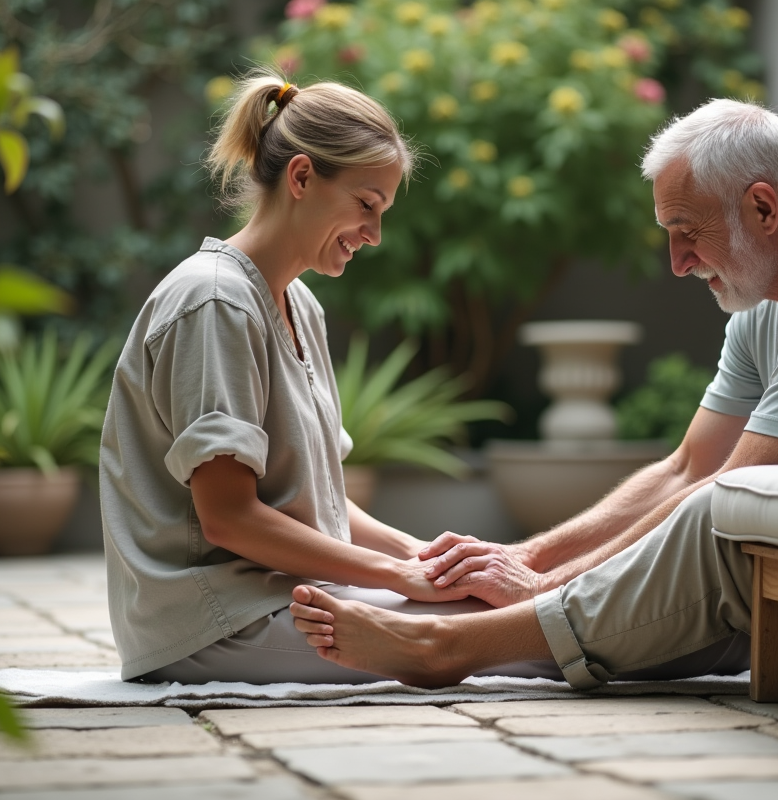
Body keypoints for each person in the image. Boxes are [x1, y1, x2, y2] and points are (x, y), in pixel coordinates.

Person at [287, 98, 778, 689]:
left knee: (727, 532)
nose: (677, 262)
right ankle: (522, 632)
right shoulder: (772, 306)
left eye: (686, 231)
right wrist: (524, 557)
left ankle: (451, 650)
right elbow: (686, 467)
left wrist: (549, 584)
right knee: (695, 572)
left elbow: (728, 490)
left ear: (763, 208)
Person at [100, 72, 559, 684]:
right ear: (300, 178)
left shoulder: (297, 302)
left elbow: (319, 497)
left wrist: (421, 556)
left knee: (506, 611)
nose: (374, 234)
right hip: (211, 623)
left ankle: (685, 633)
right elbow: (228, 517)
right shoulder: (215, 301)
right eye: (366, 205)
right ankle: (695, 639)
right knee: (516, 635)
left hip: (283, 597)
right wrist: (398, 579)